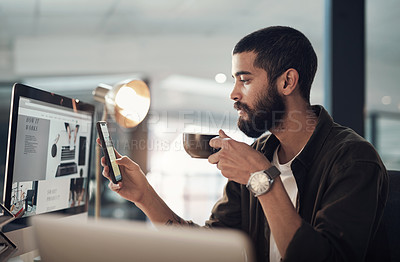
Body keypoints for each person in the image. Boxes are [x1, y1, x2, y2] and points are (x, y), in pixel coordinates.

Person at [99, 26, 388, 262]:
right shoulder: (260, 153)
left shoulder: (353, 160)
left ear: (287, 82)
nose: (233, 93)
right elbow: (207, 250)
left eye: (245, 80)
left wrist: (261, 178)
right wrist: (145, 197)